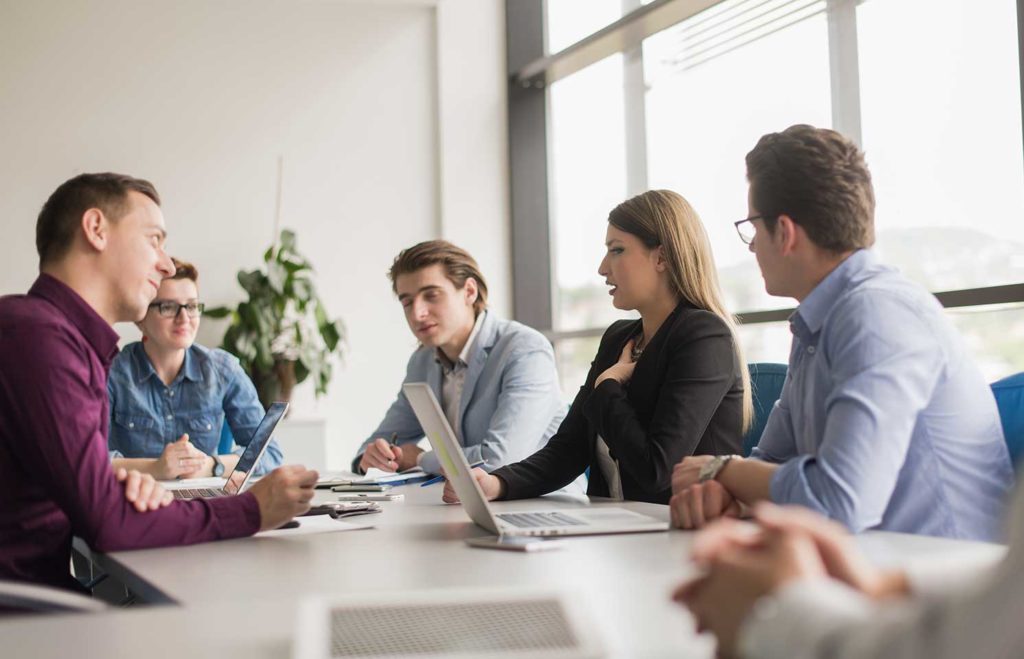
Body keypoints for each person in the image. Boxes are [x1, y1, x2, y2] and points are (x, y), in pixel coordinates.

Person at [670, 125, 1013, 541]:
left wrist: (722, 470)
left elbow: (839, 503)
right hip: (873, 572)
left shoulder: (877, 313)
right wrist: (726, 493)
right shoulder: (818, 323)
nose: (751, 246)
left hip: (947, 584)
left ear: (785, 232)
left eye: (753, 227)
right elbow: (771, 461)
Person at [0, 172, 317, 593]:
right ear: (96, 230)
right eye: (154, 240)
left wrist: (116, 485)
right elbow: (108, 526)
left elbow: (76, 494)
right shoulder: (38, 339)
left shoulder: (60, 341)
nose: (165, 263)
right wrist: (252, 510)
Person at [444, 189, 751, 506]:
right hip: (617, 530)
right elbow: (568, 449)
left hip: (685, 535)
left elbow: (657, 470)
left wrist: (607, 386)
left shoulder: (704, 335)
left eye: (617, 250)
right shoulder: (619, 338)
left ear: (662, 257)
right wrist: (497, 484)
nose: (603, 268)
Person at [674, 493, 1024, 659]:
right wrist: (886, 587)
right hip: (899, 565)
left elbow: (842, 500)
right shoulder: (808, 356)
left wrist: (778, 608)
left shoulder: (878, 344)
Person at [352, 240, 570, 479]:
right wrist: (372, 456)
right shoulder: (422, 361)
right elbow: (380, 442)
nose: (417, 313)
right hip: (462, 503)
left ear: (469, 291)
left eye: (431, 296)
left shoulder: (525, 350)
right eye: (407, 302)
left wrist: (420, 459)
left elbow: (501, 460)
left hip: (540, 505)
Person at [107, 257, 284, 480]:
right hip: (134, 506)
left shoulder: (224, 370)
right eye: (168, 307)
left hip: (203, 505)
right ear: (141, 317)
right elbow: (89, 461)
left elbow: (269, 453)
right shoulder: (111, 373)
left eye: (191, 306)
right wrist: (156, 469)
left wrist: (212, 466)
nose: (184, 319)